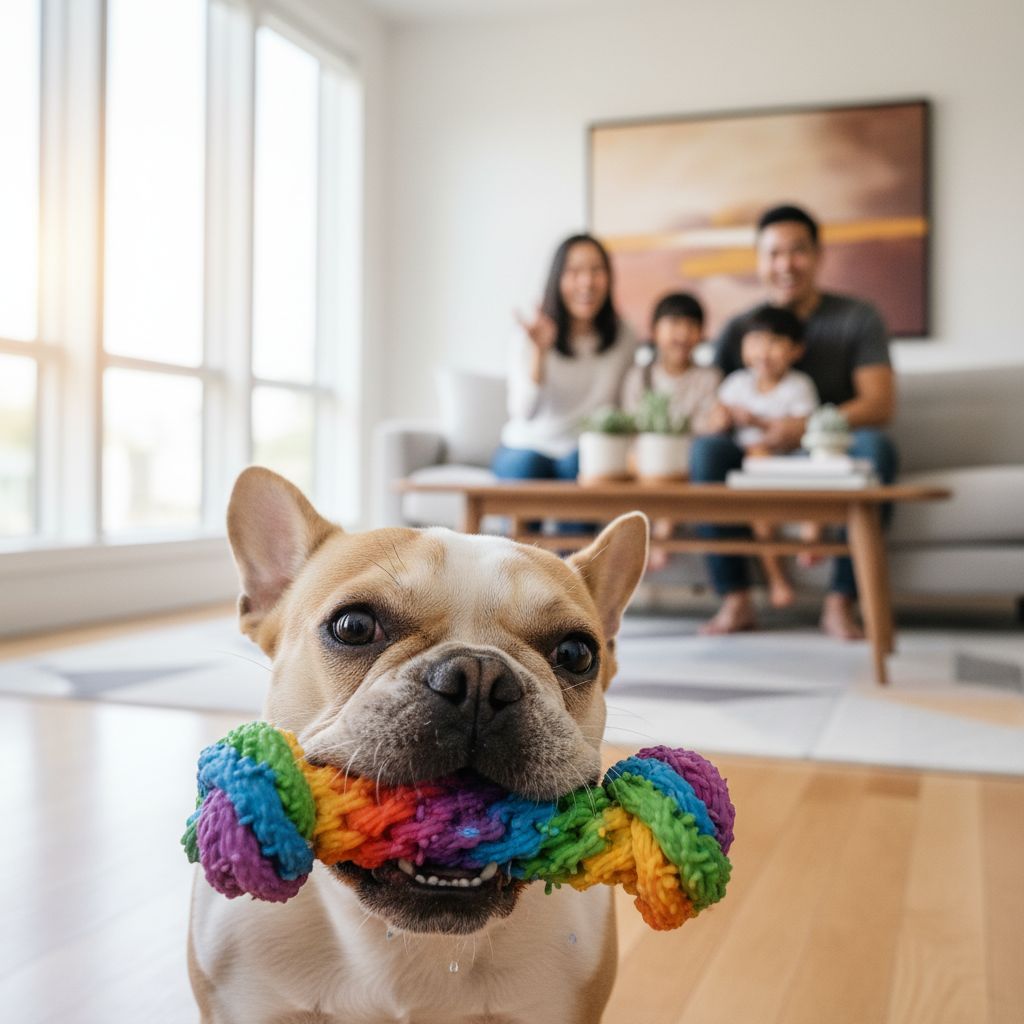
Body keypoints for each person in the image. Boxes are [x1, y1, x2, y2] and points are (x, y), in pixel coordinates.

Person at [690, 204, 898, 639]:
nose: (786, 264)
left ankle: (841, 602)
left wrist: (808, 428)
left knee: (876, 449)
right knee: (706, 452)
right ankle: (736, 598)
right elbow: (714, 403)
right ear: (759, 261)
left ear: (819, 256)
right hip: (754, 450)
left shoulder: (858, 318)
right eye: (774, 253)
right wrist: (723, 418)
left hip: (829, 448)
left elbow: (879, 404)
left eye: (798, 251)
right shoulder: (738, 328)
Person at [493, 233, 637, 481]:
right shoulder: (529, 333)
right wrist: (539, 354)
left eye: (596, 271)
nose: (587, 282)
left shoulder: (624, 335)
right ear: (557, 278)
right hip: (526, 446)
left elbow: (627, 405)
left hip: (586, 449)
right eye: (575, 271)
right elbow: (523, 412)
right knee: (528, 466)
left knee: (581, 464)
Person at [706, 304, 819, 610]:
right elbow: (715, 423)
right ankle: (778, 579)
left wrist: (756, 423)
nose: (764, 351)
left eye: (775, 342)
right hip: (753, 474)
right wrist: (721, 419)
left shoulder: (798, 386)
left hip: (792, 464)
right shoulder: (736, 384)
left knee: (821, 468)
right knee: (760, 519)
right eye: (755, 341)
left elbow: (803, 429)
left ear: (796, 350)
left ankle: (813, 535)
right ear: (743, 348)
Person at [620, 291, 721, 569]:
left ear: (701, 334)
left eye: (692, 325)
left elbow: (708, 426)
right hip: (644, 458)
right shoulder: (639, 375)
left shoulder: (708, 377)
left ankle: (663, 531)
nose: (683, 333)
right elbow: (632, 424)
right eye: (674, 323)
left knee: (688, 460)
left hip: (685, 460)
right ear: (654, 331)